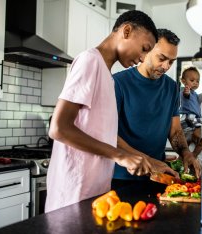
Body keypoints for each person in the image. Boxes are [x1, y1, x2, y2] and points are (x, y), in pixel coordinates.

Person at [45, 10, 159, 213]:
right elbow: (58, 128)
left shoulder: (108, 77)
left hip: (94, 190)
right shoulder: (90, 61)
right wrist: (119, 156)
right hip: (74, 191)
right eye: (144, 49)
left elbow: (104, 134)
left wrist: (145, 160)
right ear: (126, 31)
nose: (142, 59)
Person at [112, 29, 201, 189]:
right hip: (122, 177)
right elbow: (108, 135)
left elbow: (175, 131)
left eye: (172, 61)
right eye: (162, 58)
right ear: (146, 51)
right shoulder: (118, 83)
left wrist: (186, 153)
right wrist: (149, 161)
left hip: (160, 177)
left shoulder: (172, 87)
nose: (166, 66)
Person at [180, 66, 202, 131]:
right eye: (192, 80)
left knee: (198, 126)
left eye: (197, 81)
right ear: (184, 81)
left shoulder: (195, 94)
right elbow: (186, 95)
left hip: (194, 117)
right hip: (188, 116)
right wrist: (186, 92)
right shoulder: (185, 91)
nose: (195, 83)